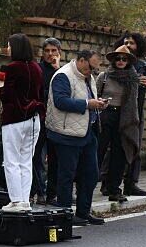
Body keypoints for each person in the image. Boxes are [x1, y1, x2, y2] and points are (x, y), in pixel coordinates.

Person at [46, 50, 108, 226]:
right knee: (67, 175)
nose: (92, 72)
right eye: (90, 68)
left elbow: (87, 98)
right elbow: (60, 101)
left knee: (91, 174)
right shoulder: (63, 76)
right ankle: (65, 214)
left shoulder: (87, 77)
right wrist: (88, 104)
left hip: (87, 132)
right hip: (67, 134)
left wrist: (99, 103)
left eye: (95, 70)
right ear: (81, 61)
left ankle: (83, 212)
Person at [0, 33, 44, 212]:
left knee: (11, 160)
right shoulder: (37, 68)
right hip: (34, 117)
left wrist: (0, 86)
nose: (8, 49)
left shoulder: (12, 68)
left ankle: (16, 200)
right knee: (26, 160)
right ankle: (24, 199)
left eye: (9, 46)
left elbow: (6, 95)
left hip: (14, 118)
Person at [95, 46, 142, 202]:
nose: (121, 61)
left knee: (119, 153)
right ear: (113, 60)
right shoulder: (104, 76)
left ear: (128, 61)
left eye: (124, 59)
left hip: (124, 117)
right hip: (105, 115)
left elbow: (133, 102)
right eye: (118, 58)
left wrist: (132, 121)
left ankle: (114, 188)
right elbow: (94, 95)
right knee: (98, 151)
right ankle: (87, 185)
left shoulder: (132, 78)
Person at [118, 33, 146, 196]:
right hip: (118, 111)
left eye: (131, 43)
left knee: (135, 148)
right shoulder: (118, 62)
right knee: (116, 149)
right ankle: (109, 182)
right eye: (126, 42)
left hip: (137, 112)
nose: (128, 45)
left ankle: (131, 183)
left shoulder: (143, 65)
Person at [34, 37, 61, 204]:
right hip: (40, 118)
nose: (50, 54)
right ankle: (40, 192)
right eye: (47, 51)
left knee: (55, 159)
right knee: (38, 157)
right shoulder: (38, 69)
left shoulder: (63, 72)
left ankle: (53, 193)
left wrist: (57, 69)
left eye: (54, 51)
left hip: (57, 121)